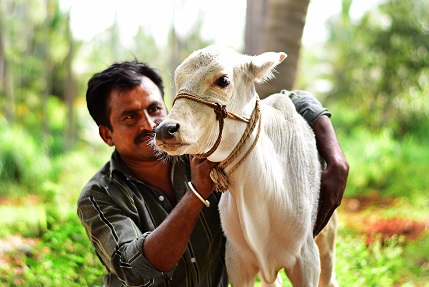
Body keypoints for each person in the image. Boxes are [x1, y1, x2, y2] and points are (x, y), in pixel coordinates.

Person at [78, 60, 349, 287]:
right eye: (129, 117)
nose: (149, 124)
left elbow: (287, 101)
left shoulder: (205, 147)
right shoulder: (99, 195)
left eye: (154, 109)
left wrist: (335, 160)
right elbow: (135, 267)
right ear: (106, 135)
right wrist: (197, 193)